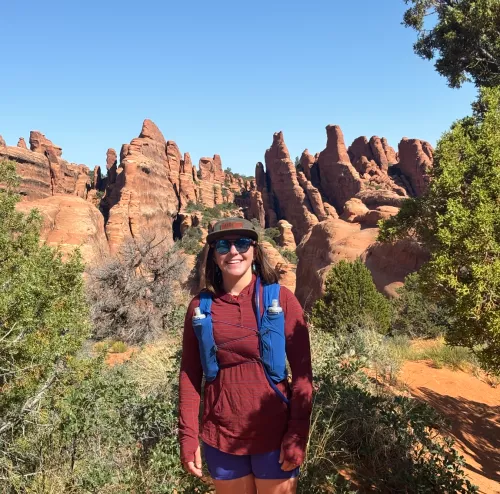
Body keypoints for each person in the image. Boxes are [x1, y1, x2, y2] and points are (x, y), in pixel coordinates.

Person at [179, 217, 313, 494]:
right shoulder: (200, 306)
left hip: (275, 435)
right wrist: (188, 436)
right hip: (221, 436)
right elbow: (190, 375)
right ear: (213, 255)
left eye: (241, 243)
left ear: (254, 249)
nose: (233, 252)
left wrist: (297, 432)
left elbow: (303, 375)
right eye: (223, 246)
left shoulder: (282, 299)